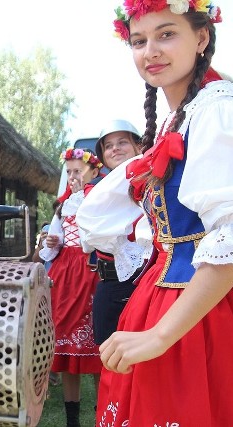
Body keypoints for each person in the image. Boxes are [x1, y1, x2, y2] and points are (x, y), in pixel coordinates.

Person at [78, 2, 233, 425]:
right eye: (139, 41)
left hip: (206, 318)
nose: (151, 51)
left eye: (167, 35)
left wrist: (161, 334)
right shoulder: (179, 121)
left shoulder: (219, 109)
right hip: (164, 305)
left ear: (201, 38)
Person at [39, 147, 104, 427]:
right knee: (67, 351)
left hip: (92, 272)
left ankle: (104, 414)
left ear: (94, 171)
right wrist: (52, 243)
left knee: (100, 349)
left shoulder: (101, 199)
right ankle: (73, 422)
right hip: (66, 277)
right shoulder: (63, 205)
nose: (73, 177)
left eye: (78, 171)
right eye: (69, 172)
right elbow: (51, 249)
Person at [86, 119, 145, 346]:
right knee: (109, 356)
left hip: (144, 283)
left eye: (122, 142)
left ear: (139, 147)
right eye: (108, 145)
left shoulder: (152, 181)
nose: (115, 149)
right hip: (109, 285)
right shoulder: (96, 192)